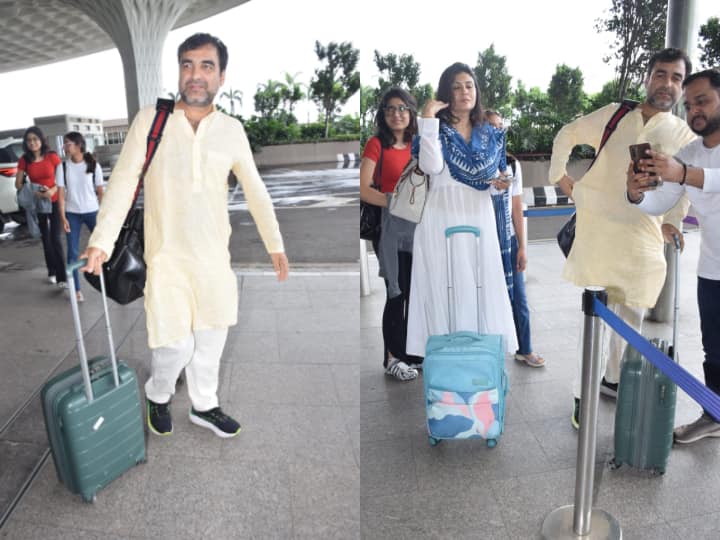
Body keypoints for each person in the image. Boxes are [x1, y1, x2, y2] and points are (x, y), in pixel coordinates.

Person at [81, 33, 289, 439]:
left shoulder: (231, 129)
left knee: (211, 340)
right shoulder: (151, 120)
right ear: (179, 71)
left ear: (221, 77)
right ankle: (158, 394)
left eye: (206, 66)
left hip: (213, 259)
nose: (196, 75)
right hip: (166, 258)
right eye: (188, 65)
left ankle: (204, 406)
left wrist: (275, 243)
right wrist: (102, 239)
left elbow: (255, 190)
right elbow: (123, 182)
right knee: (174, 344)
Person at [548, 48, 696, 429]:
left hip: (642, 240)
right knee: (594, 319)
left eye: (676, 78)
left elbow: (684, 185)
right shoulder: (615, 114)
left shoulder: (682, 134)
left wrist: (673, 222)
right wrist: (560, 178)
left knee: (632, 323)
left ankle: (616, 384)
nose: (667, 84)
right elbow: (568, 133)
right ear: (648, 77)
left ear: (681, 87)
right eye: (660, 74)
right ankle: (584, 396)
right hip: (599, 233)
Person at [627, 68, 720, 444]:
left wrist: (686, 173)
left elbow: (705, 177)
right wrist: (635, 192)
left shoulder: (689, 162)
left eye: (703, 101)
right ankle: (713, 414)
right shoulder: (690, 152)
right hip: (712, 269)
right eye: (689, 104)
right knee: (714, 350)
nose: (694, 110)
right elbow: (660, 200)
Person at [406, 63, 518, 358]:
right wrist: (427, 120)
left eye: (469, 85)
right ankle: (447, 362)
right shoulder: (436, 130)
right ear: (446, 93)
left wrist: (501, 183)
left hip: (479, 216)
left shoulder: (490, 133)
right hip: (440, 216)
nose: (464, 92)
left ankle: (478, 360)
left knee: (479, 290)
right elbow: (431, 167)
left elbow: (496, 178)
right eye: (456, 86)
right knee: (444, 289)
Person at [360, 87, 421, 381]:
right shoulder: (376, 144)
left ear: (411, 113)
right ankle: (391, 358)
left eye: (402, 108)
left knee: (415, 293)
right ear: (383, 115)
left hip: (419, 231)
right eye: (390, 109)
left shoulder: (419, 144)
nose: (397, 114)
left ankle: (409, 352)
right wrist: (396, 200)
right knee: (396, 294)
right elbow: (363, 190)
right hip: (390, 230)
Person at [485, 110, 545, 368]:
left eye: (500, 127)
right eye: (491, 127)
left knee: (519, 297)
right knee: (487, 298)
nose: (497, 131)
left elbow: (516, 207)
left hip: (507, 241)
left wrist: (522, 246)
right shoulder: (476, 165)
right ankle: (488, 351)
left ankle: (525, 348)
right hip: (485, 243)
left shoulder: (511, 165)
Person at [15, 126, 67, 288]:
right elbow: (18, 184)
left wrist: (51, 190)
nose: (32, 143)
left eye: (35, 139)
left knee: (56, 239)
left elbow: (62, 178)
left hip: (53, 201)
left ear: (41, 140)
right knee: (45, 238)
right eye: (29, 140)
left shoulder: (52, 156)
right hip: (38, 204)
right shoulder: (24, 159)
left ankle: (62, 277)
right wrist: (30, 186)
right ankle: (51, 270)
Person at [57, 132, 104, 303]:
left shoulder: (93, 164)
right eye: (64, 143)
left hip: (92, 211)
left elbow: (100, 192)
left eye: (67, 143)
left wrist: (104, 216)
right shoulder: (62, 167)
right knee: (73, 252)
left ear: (78, 145)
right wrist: (63, 218)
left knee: (103, 246)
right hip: (72, 213)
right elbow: (61, 195)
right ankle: (76, 289)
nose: (65, 146)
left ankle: (110, 279)